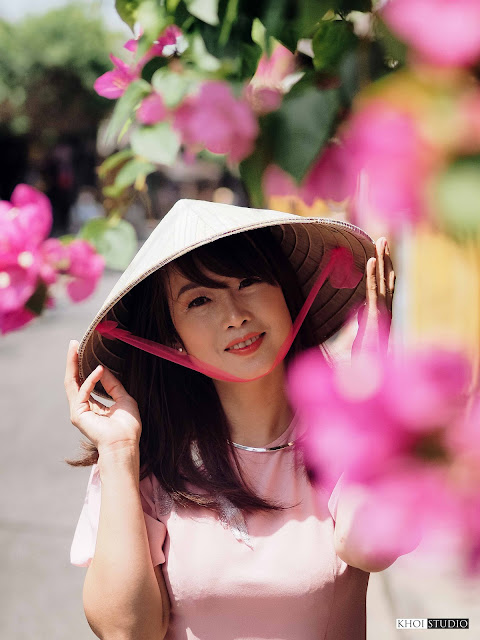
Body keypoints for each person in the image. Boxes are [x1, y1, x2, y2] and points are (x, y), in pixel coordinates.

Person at [65, 199, 396, 640]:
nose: (236, 314)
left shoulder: (345, 428)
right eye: (200, 300)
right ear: (172, 337)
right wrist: (118, 452)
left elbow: (369, 546)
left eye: (249, 281)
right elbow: (126, 631)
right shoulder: (148, 457)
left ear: (287, 293)